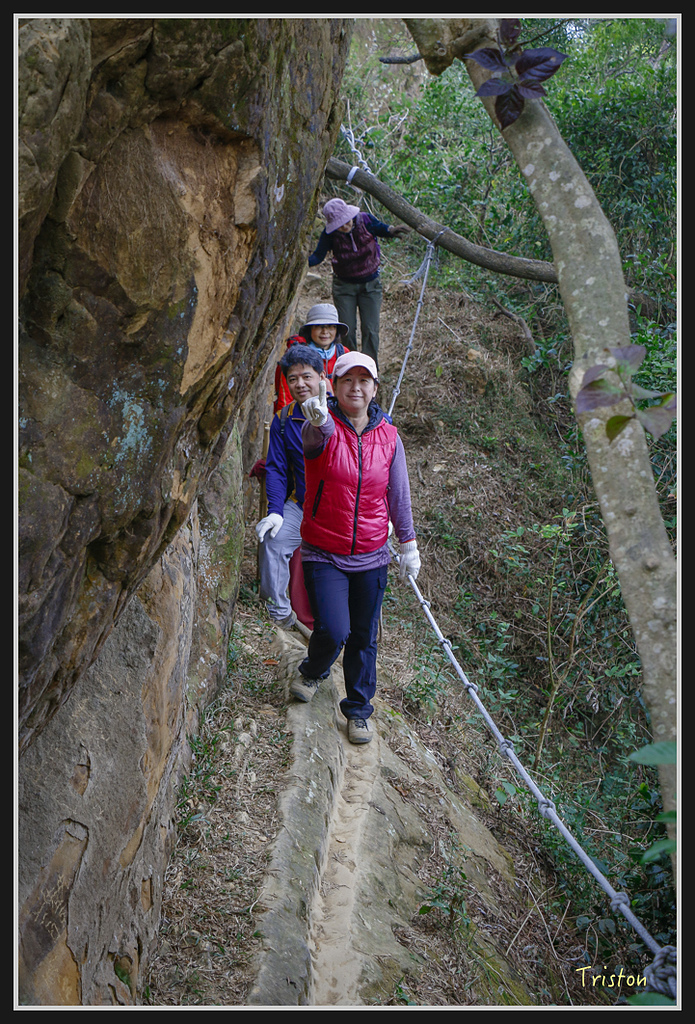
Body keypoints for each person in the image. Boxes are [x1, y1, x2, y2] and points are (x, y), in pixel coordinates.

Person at [292, 350, 421, 745]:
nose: (356, 388)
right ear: (336, 385)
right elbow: (314, 441)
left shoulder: (389, 437)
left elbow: (398, 493)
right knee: (334, 628)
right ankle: (313, 669)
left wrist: (409, 543)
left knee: (364, 636)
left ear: (375, 388)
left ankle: (359, 710)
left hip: (371, 554)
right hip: (325, 551)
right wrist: (318, 422)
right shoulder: (323, 423)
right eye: (348, 380)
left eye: (364, 381)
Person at [256, 345, 327, 628]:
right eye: (293, 378)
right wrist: (275, 511)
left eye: (306, 377)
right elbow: (276, 468)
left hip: (341, 508)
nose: (300, 384)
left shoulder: (342, 412)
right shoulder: (284, 420)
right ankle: (281, 617)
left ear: (321, 377)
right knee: (272, 541)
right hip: (302, 504)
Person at [308, 198, 410, 369]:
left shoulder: (365, 220)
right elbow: (318, 255)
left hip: (370, 285)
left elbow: (381, 229)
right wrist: (303, 262)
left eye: (346, 222)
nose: (344, 227)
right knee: (346, 330)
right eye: (340, 225)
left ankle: (369, 369)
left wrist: (392, 230)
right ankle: (350, 366)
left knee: (370, 330)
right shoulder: (329, 234)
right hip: (344, 286)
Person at [274, 303, 350, 412]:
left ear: (337, 330)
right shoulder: (296, 356)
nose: (325, 332)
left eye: (330, 327)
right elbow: (285, 397)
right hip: (302, 415)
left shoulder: (343, 354)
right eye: (319, 326)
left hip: (337, 416)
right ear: (310, 330)